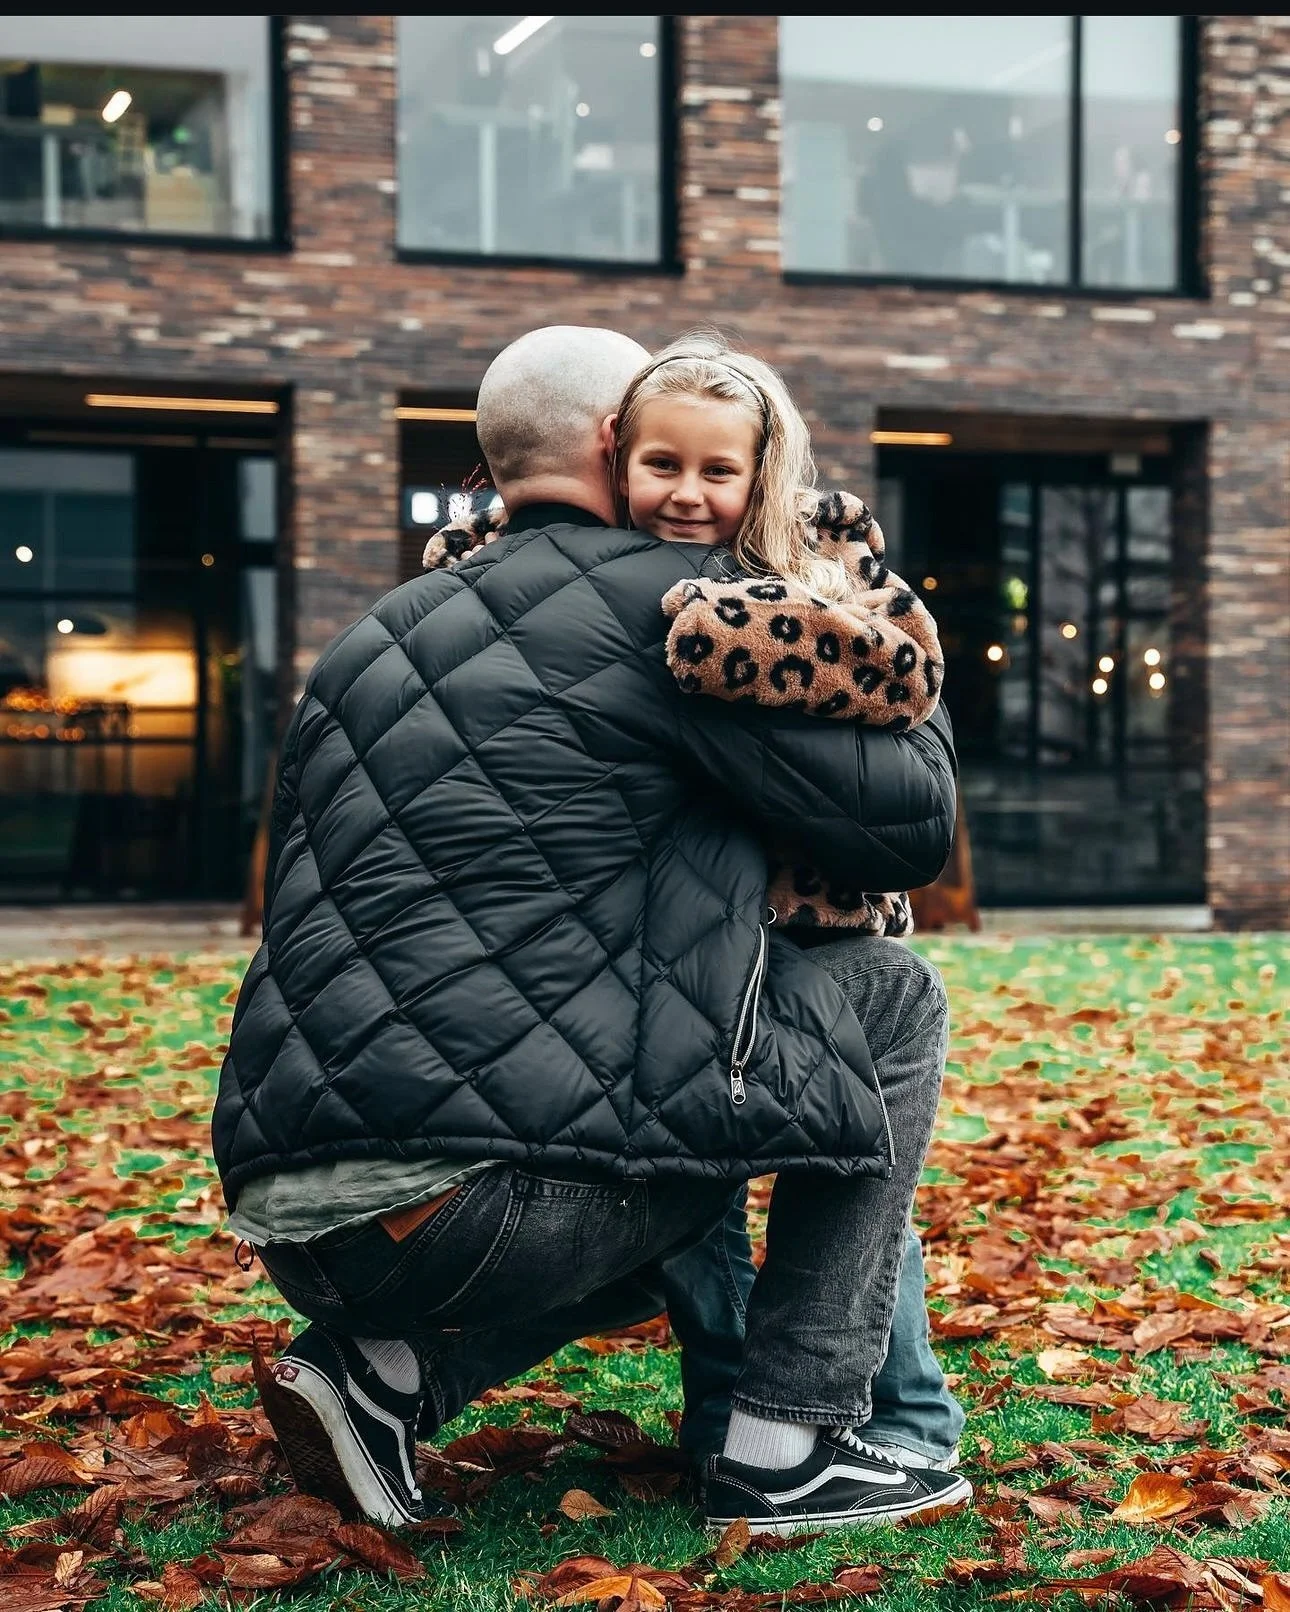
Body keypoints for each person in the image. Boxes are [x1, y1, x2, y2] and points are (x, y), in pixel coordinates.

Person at [212, 325, 968, 1535]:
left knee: (680, 1050)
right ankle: (788, 1440)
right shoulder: (676, 620)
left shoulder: (371, 636)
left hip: (290, 1216)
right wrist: (846, 597)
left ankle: (384, 1370)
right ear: (620, 438)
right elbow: (911, 827)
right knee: (890, 997)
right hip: (494, 1209)